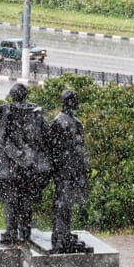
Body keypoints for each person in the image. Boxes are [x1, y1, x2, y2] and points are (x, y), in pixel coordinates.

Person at [0, 63, 51, 243]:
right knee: (25, 200)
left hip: (9, 168)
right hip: (28, 167)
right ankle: (24, 232)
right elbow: (46, 138)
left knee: (10, 201)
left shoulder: (7, 111)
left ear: (11, 97)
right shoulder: (35, 113)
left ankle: (11, 231)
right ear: (26, 96)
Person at [47, 89, 90, 254]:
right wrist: (60, 168)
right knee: (62, 203)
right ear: (67, 102)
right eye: (74, 100)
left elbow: (80, 148)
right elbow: (54, 148)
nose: (77, 103)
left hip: (74, 169)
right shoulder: (60, 121)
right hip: (65, 170)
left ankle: (64, 233)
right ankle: (60, 236)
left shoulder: (74, 121)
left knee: (68, 202)